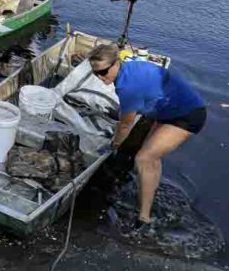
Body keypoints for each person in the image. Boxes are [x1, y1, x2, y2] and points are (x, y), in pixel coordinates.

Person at [88, 43, 207, 233]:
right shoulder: (130, 66)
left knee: (144, 158)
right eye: (95, 73)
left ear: (116, 63)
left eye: (103, 72)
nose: (100, 78)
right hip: (168, 108)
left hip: (187, 115)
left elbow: (126, 124)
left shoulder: (127, 87)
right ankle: (151, 189)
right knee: (151, 157)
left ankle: (144, 219)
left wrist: (115, 145)